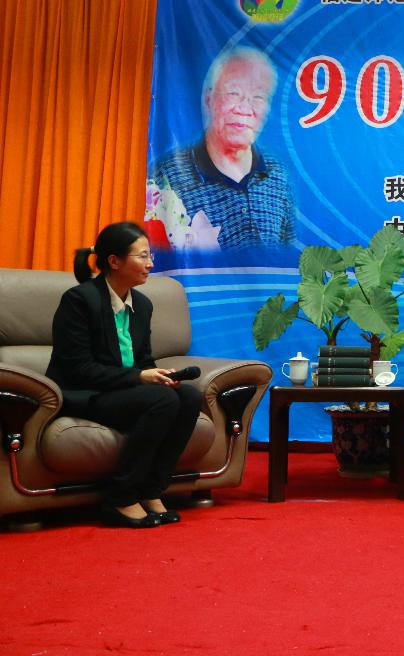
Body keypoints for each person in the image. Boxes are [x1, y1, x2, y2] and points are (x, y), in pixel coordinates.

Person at [46, 222, 202, 528]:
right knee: (163, 401)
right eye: (142, 256)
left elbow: (142, 360)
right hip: (85, 393)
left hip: (124, 391)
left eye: (150, 255)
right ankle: (120, 494)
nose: (150, 263)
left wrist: (159, 374)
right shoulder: (79, 300)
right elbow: (79, 369)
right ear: (114, 261)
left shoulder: (142, 304)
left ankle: (152, 489)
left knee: (188, 397)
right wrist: (140, 378)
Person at [150, 46, 295, 249]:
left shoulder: (277, 174)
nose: (244, 108)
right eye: (234, 93)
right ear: (208, 99)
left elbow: (286, 256)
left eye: (258, 97)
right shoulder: (167, 176)